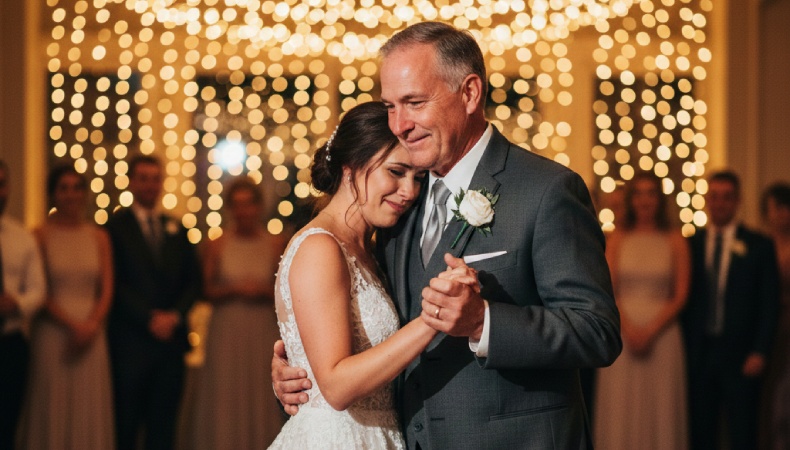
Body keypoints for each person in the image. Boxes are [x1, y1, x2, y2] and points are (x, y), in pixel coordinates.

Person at [274, 22, 621, 449]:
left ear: (470, 93)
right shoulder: (398, 207)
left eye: (414, 102)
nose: (399, 124)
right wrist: (298, 368)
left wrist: (484, 321)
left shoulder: (546, 190)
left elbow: (596, 331)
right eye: (390, 106)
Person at [268, 100, 439, 449]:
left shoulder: (374, 248)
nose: (410, 191)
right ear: (351, 167)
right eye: (396, 172)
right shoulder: (320, 248)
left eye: (418, 177)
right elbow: (336, 386)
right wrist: (433, 320)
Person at [105, 154, 202, 450]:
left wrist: (174, 316)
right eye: (143, 178)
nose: (150, 185)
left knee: (164, 430)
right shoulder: (113, 228)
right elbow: (114, 284)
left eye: (155, 179)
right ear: (132, 182)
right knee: (126, 427)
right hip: (130, 345)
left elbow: (194, 281)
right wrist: (148, 318)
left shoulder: (176, 228)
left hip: (170, 347)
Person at [682, 170, 780, 450]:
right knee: (701, 433)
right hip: (699, 355)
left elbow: (768, 303)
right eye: (714, 197)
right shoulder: (691, 243)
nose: (720, 203)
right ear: (706, 200)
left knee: (743, 433)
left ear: (737, 201)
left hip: (742, 355)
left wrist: (760, 350)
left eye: (727, 197)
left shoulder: (759, 244)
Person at [20, 164, 115, 449]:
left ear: (84, 194)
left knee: (89, 406)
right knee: (52, 404)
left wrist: (91, 325)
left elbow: (107, 288)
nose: (71, 194)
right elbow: (39, 290)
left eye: (77, 188)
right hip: (54, 334)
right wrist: (72, 325)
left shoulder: (100, 237)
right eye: (64, 188)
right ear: (52, 194)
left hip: (92, 334)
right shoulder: (39, 236)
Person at [594, 172, 690, 449]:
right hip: (623, 333)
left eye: (651, 193)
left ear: (660, 199)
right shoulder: (618, 238)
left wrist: (651, 330)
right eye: (639, 193)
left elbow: (681, 294)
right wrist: (631, 329)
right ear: (631, 199)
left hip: (664, 335)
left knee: (660, 407)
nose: (645, 200)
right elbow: (610, 291)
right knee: (622, 407)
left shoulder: (675, 239)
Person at [191, 177, 287, 449]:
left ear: (259, 206)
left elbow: (285, 295)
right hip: (227, 329)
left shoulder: (276, 243)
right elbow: (205, 290)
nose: (243, 211)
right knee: (225, 392)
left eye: (248, 204)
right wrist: (234, 288)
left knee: (259, 392)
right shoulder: (217, 244)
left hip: (261, 329)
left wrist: (261, 290)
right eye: (237, 205)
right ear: (230, 208)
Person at [0, 160, 46, 450]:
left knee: (7, 427)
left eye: (2, 184)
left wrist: (16, 303)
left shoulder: (21, 237)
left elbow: (39, 290)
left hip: (10, 345)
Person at [759, 182, 790, 450]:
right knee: (771, 395)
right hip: (771, 327)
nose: (781, 214)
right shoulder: (760, 244)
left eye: (785, 208)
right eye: (776, 208)